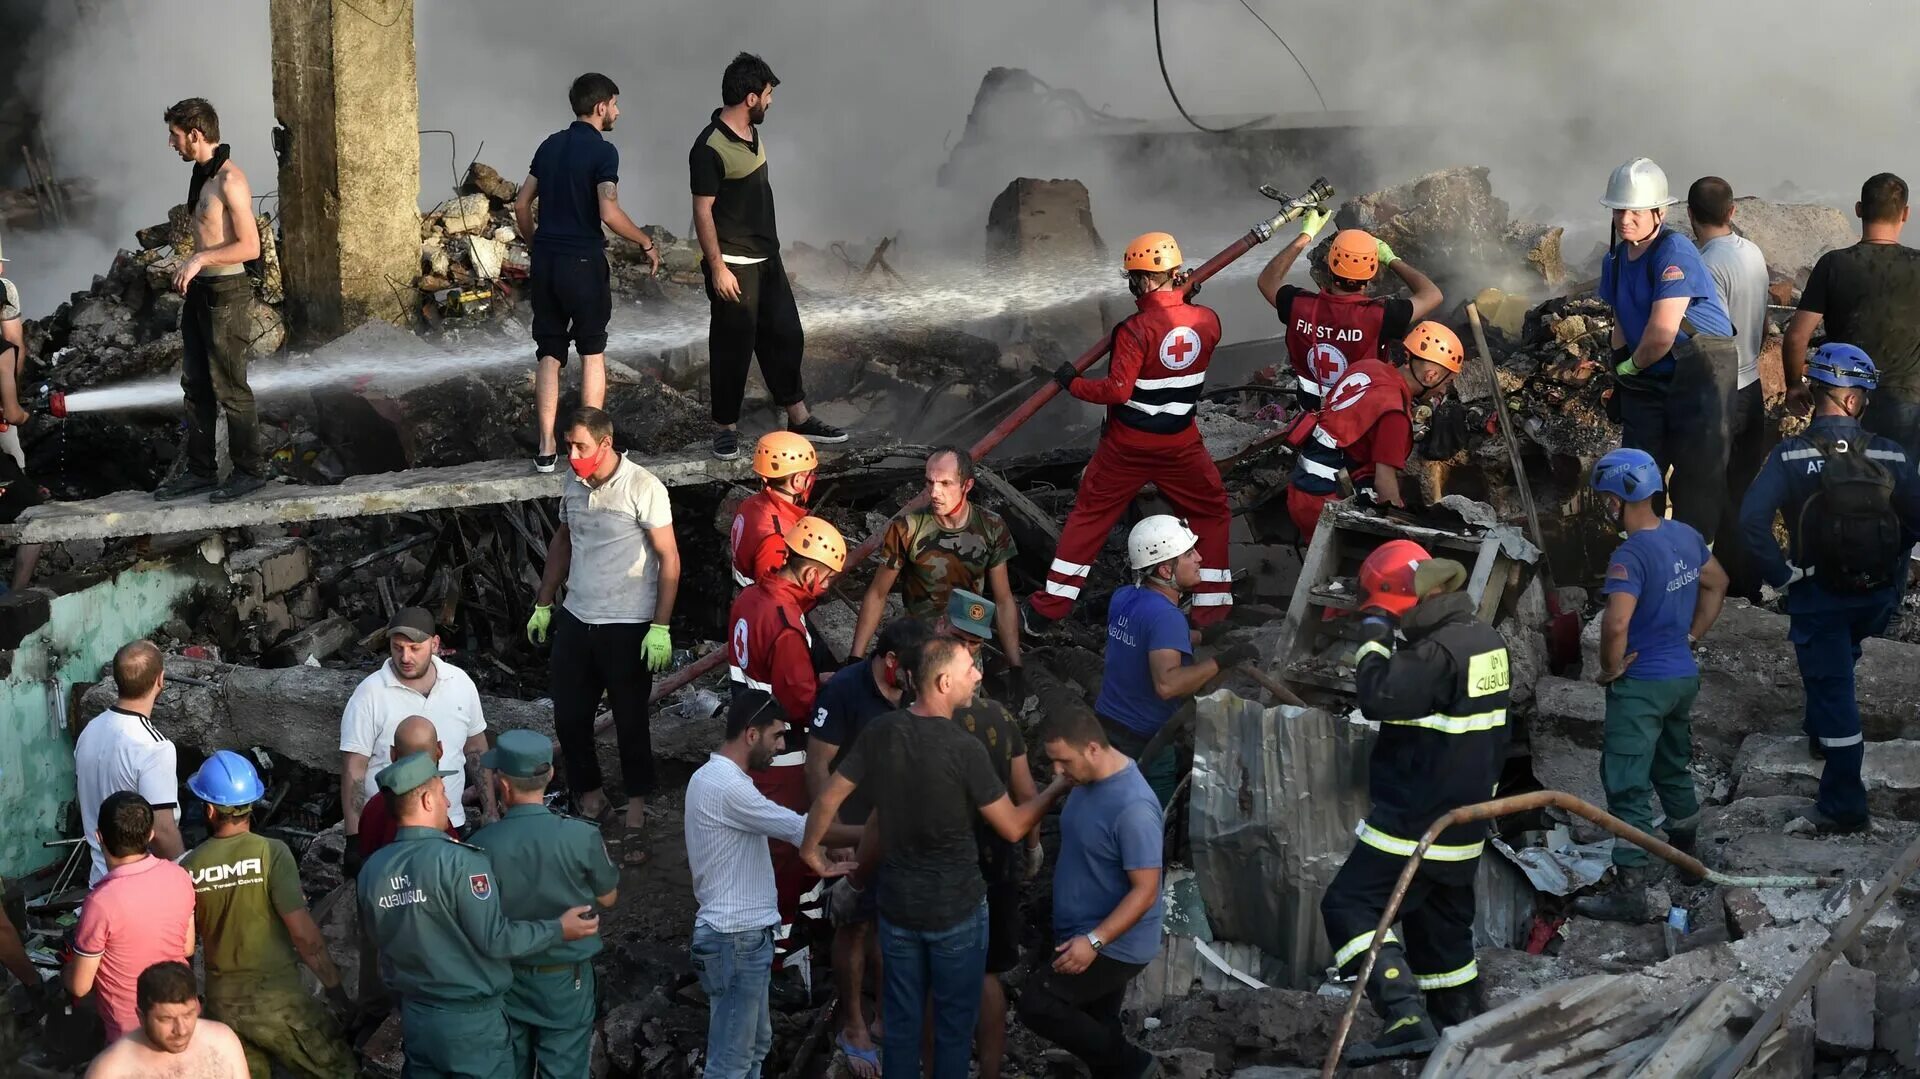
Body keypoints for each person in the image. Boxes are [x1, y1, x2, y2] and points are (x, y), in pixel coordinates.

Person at [798, 637, 1070, 1079]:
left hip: (899, 910)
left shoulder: (882, 732)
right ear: (944, 682)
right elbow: (1014, 827)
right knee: (952, 1029)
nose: (979, 675)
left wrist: (812, 850)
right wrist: (1057, 788)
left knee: (903, 1025)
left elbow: (828, 795)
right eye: (970, 669)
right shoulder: (964, 749)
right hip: (956, 914)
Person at [1320, 542, 1511, 1065]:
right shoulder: (1485, 639)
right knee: (1441, 942)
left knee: (1348, 906)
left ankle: (1403, 1016)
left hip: (1416, 821)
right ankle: (1463, 1038)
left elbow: (1377, 696)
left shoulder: (1434, 655)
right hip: (1466, 820)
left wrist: (1376, 633)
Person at [1740, 345, 1920, 835]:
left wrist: (1781, 575)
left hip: (1817, 597)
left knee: (1834, 690)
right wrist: (1886, 562)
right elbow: (1916, 521)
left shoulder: (1791, 455)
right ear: (1854, 400)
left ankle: (1843, 805)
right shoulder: (1890, 453)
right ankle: (1823, 727)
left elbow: (1751, 523)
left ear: (1819, 394)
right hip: (1875, 597)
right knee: (1840, 664)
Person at [1025, 233, 1234, 628]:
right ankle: (1211, 612)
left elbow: (1117, 391)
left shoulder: (1133, 330)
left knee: (1090, 518)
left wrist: (1073, 383)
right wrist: (1183, 302)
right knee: (1211, 512)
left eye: (1134, 277)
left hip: (1128, 448)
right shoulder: (1209, 321)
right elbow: (1178, 328)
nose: (1131, 284)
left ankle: (1046, 611)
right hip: (1181, 444)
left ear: (1144, 279)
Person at [357, 753, 600, 1079]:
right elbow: (496, 940)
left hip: (416, 1018)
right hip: (471, 1023)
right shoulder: (461, 862)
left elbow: (378, 945)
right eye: (442, 791)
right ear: (427, 800)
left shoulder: (372, 871)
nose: (447, 799)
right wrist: (558, 929)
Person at [1575, 450, 1729, 922]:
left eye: (1605, 497)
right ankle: (1689, 860)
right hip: (1681, 677)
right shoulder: (1685, 535)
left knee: (1626, 782)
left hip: (1641, 685)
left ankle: (1632, 887)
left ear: (1619, 499)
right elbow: (1718, 582)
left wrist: (1609, 669)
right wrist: (1691, 637)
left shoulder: (1629, 555)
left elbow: (1616, 623)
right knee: (1672, 766)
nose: (1604, 506)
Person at [525, 406, 680, 866]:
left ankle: (636, 814)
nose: (572, 456)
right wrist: (543, 601)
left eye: (580, 448)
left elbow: (669, 558)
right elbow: (564, 541)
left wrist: (660, 626)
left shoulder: (642, 486)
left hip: (628, 622)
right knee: (569, 718)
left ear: (605, 444)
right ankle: (591, 800)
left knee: (631, 721)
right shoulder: (573, 484)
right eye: (568, 446)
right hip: (578, 614)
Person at [687, 690, 859, 1079]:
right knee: (730, 1064)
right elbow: (800, 828)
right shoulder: (727, 786)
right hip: (736, 940)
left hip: (738, 939)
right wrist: (875, 833)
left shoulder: (709, 778)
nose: (781, 747)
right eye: (777, 736)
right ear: (752, 734)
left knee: (754, 1050)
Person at [691, 51, 845, 461]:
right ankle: (724, 429)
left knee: (787, 336)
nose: (771, 100)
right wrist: (719, 268)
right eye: (768, 93)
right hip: (735, 266)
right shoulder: (709, 147)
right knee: (732, 349)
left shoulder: (752, 134)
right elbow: (702, 210)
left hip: (767, 259)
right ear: (750, 98)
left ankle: (799, 417)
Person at [515, 73, 660, 473]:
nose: (617, 111)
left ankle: (546, 449)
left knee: (549, 351)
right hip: (583, 262)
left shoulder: (549, 145)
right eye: (615, 104)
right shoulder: (603, 152)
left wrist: (535, 243)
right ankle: (587, 446)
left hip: (546, 261)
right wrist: (645, 242)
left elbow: (521, 204)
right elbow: (608, 212)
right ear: (600, 107)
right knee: (592, 351)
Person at [180, 751, 356, 1079]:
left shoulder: (189, 867)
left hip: (224, 1008)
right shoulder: (271, 853)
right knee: (342, 1072)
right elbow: (304, 936)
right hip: (279, 1002)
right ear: (253, 802)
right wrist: (336, 991)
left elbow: (185, 948)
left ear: (208, 808)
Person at [807, 618, 933, 1074]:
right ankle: (854, 1023)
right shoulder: (845, 690)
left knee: (891, 926)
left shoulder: (916, 690)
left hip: (898, 827)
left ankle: (885, 1015)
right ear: (891, 661)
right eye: (913, 672)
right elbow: (817, 765)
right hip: (855, 826)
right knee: (855, 927)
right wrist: (835, 835)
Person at [726, 515, 847, 977]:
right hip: (783, 750)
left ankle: (803, 924)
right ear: (813, 572)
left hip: (748, 733)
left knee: (769, 846)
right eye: (828, 581)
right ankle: (783, 946)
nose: (826, 590)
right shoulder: (786, 622)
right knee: (793, 844)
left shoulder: (750, 597)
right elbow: (801, 702)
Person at [1017, 708, 1165, 1079]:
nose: (1057, 771)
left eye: (1063, 761)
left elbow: (1146, 891)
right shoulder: (1084, 780)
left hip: (1114, 943)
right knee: (1098, 1025)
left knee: (1038, 1004)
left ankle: (1138, 1065)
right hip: (1081, 930)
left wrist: (1094, 942)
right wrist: (1058, 785)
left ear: (1094, 749)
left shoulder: (1134, 808)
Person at [932, 590, 1044, 1079]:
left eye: (971, 644)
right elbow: (1027, 793)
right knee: (985, 975)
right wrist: (1032, 844)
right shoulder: (997, 717)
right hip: (993, 863)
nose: (966, 650)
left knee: (938, 978)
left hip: (950, 868)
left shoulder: (923, 713)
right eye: (961, 639)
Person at [1597, 157, 1739, 537]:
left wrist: (1630, 369)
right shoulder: (1615, 259)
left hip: (1699, 372)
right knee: (1639, 471)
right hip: (1651, 373)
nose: (1625, 219)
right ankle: (1645, 557)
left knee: (1697, 479)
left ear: (1659, 211)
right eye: (1618, 210)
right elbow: (1622, 324)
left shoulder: (1673, 253)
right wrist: (1618, 367)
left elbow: (1661, 333)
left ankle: (1695, 570)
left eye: (1636, 212)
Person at [470, 730, 620, 1078]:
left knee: (509, 1067)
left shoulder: (480, 846)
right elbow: (608, 897)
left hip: (506, 979)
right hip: (566, 983)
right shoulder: (581, 835)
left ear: (503, 785)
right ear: (550, 774)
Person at [1093, 516, 1259, 806]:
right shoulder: (1165, 616)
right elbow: (1167, 685)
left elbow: (1146, 635)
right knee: (1148, 827)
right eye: (1189, 554)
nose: (1199, 558)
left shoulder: (1124, 597)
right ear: (1166, 569)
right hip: (1146, 743)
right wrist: (1224, 660)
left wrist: (1200, 637)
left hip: (1105, 728)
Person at [153, 98, 265, 504]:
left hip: (226, 294)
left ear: (196, 135)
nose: (171, 143)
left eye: (175, 135)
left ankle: (250, 471)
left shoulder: (230, 181)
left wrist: (200, 257)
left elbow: (249, 247)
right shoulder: (203, 174)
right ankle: (201, 471)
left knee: (230, 387)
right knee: (196, 384)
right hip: (202, 292)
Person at [1285, 320, 1463, 542]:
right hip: (1326, 501)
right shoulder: (1394, 414)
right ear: (1431, 376)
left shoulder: (1368, 367)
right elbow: (1384, 483)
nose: (1443, 390)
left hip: (1300, 489)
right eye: (1447, 382)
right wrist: (1400, 532)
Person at [853, 447, 1022, 676]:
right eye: (929, 482)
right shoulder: (908, 528)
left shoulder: (991, 527)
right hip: (918, 649)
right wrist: (855, 657)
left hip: (964, 651)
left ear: (967, 485)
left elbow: (1003, 600)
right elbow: (877, 593)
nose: (934, 492)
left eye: (945, 483)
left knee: (965, 711)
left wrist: (1016, 665)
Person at [1784, 173, 1920, 456]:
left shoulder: (1834, 264)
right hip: (1906, 402)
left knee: (1841, 482)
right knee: (1899, 482)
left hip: (1843, 398)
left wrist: (1795, 385)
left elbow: (1797, 336)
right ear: (1905, 213)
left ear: (1858, 209)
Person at [340, 607, 491, 855]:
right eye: (397, 647)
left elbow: (475, 747)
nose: (405, 657)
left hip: (450, 820)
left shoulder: (460, 683)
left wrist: (490, 810)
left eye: (414, 648)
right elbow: (353, 769)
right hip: (391, 827)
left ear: (434, 644)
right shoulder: (369, 695)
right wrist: (354, 838)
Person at [1255, 215, 1444, 412]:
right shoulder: (1380, 315)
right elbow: (1433, 295)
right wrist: (1391, 259)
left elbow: (1267, 280)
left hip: (1308, 416)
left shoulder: (1299, 305)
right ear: (1372, 274)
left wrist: (1306, 235)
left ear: (1329, 267)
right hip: (1358, 418)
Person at [1687, 177, 1773, 599]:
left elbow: (1708, 339)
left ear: (1689, 215)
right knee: (1741, 491)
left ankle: (1704, 585)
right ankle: (1743, 585)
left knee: (1705, 494)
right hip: (1753, 386)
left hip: (1721, 394)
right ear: (1733, 211)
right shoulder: (1752, 251)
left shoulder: (1703, 265)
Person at [66, 793, 195, 1044]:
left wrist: (66, 972)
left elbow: (80, 986)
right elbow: (187, 947)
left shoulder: (101, 902)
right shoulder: (179, 876)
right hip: (183, 1020)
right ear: (150, 835)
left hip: (131, 1035)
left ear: (99, 837)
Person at [75, 640, 184, 885]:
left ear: (116, 679)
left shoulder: (90, 731)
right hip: (142, 885)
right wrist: (185, 874)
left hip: (101, 881)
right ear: (160, 680)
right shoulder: (154, 746)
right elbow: (162, 831)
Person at [84, 962, 249, 1079]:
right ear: (141, 1017)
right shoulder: (110, 1071)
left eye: (188, 1014)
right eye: (166, 1019)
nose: (181, 1030)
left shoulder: (222, 1042)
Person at [0, 236, 44, 594]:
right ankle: (15, 597)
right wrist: (22, 412)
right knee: (34, 513)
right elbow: (13, 416)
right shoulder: (2, 353)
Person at [731, 431, 818, 587]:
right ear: (798, 480)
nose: (812, 478)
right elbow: (773, 596)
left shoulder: (750, 503)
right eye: (810, 474)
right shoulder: (777, 537)